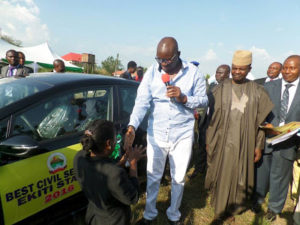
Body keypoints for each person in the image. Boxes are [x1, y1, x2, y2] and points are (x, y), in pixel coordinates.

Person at [124, 37, 208, 225]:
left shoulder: (193, 73)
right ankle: (149, 214)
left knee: (178, 178)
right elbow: (141, 102)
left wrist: (184, 98)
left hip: (182, 134)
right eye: (159, 59)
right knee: (153, 175)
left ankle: (173, 215)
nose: (163, 64)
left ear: (178, 54)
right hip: (157, 133)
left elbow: (204, 100)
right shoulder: (152, 73)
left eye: (167, 60)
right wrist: (132, 126)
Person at [205, 50, 273, 222]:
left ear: (249, 68)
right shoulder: (220, 89)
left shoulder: (257, 91)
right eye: (234, 68)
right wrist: (208, 141)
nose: (237, 72)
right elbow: (210, 119)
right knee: (221, 174)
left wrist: (259, 145)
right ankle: (221, 209)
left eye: (241, 69)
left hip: (246, 142)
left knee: (239, 175)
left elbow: (261, 124)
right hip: (221, 142)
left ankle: (233, 208)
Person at [254, 55, 300, 222]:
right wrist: (265, 124)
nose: (287, 71)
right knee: (261, 171)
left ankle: (274, 208)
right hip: (267, 136)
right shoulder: (270, 86)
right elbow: (259, 110)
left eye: (292, 68)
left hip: (289, 141)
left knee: (280, 176)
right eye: (285, 68)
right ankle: (257, 200)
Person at [73, 119, 145, 225]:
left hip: (94, 217)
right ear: (109, 143)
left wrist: (122, 161)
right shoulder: (115, 174)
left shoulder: (79, 157)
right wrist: (133, 163)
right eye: (115, 139)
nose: (117, 141)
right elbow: (133, 197)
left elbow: (101, 172)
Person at [190, 64, 231, 179]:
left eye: (220, 73)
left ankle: (214, 173)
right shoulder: (212, 87)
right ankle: (199, 170)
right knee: (202, 146)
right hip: (206, 122)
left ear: (228, 74)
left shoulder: (231, 89)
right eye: (217, 72)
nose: (217, 75)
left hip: (219, 125)